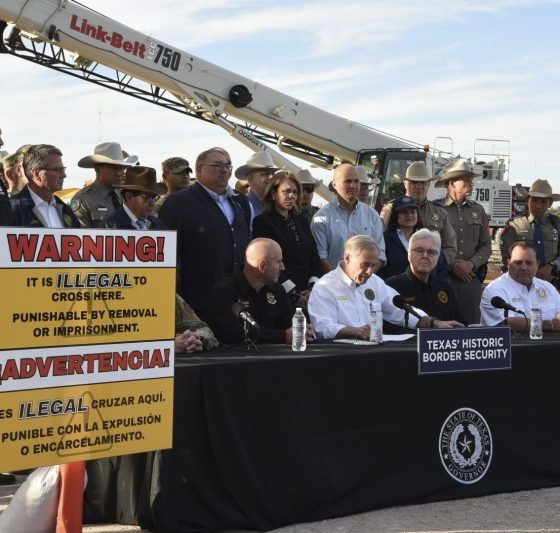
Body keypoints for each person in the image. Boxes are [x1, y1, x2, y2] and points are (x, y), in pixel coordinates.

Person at [308, 235, 462, 340]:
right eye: (365, 265)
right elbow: (321, 327)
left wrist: (433, 323)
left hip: (374, 351)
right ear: (347, 257)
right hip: (340, 355)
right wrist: (351, 331)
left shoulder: (374, 281)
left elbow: (400, 309)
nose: (370, 271)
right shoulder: (325, 287)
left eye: (373, 265)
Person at [159, 147, 251, 320]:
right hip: (199, 301)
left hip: (236, 299)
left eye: (228, 166)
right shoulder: (178, 203)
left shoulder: (239, 201)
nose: (224, 170)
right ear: (199, 171)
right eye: (217, 165)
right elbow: (167, 253)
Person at [207, 238, 315, 344]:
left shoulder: (278, 290)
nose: (283, 267)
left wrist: (302, 330)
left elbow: (289, 324)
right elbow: (232, 334)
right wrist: (282, 336)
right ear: (262, 266)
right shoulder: (224, 292)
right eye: (278, 262)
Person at [433, 159, 491, 324]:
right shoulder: (435, 209)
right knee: (442, 325)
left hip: (470, 279)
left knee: (472, 325)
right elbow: (429, 244)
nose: (471, 183)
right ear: (451, 183)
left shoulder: (478, 210)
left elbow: (486, 246)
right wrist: (452, 265)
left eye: (471, 180)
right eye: (466, 180)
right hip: (441, 278)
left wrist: (471, 264)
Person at [252, 171, 323, 307]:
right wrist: (293, 294)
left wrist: (313, 287)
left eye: (295, 192)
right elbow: (267, 263)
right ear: (273, 194)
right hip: (280, 297)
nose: (291, 196)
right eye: (286, 191)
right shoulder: (262, 222)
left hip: (309, 295)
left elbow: (314, 256)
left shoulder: (302, 220)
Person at [311, 163, 386, 273]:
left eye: (356, 181)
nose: (353, 186)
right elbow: (321, 256)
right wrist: (342, 279)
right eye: (348, 181)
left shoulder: (372, 215)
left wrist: (365, 275)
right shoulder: (322, 217)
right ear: (334, 184)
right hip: (333, 281)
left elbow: (381, 255)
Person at [380, 161, 457, 264]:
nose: (419, 186)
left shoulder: (440, 212)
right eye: (414, 182)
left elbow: (450, 247)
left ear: (428, 185)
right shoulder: (391, 209)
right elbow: (380, 241)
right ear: (405, 184)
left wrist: (433, 264)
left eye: (423, 183)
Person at [386, 229, 465, 324]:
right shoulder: (392, 287)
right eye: (419, 250)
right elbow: (386, 326)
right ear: (409, 254)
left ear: (437, 258)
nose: (425, 256)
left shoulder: (444, 287)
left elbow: (460, 323)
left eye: (431, 252)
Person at [481, 241, 560, 331]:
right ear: (508, 264)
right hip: (511, 340)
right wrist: (550, 325)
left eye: (529, 263)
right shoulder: (494, 290)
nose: (523, 268)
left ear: (537, 264)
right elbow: (508, 322)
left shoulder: (548, 287)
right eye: (518, 263)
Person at [500, 179, 560, 285]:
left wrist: (553, 266)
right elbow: (506, 256)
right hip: (521, 282)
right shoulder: (514, 225)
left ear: (550, 203)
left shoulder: (557, 224)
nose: (538, 205)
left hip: (551, 281)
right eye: (534, 200)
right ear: (527, 200)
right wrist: (526, 271)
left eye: (543, 201)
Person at [378, 195, 448, 281]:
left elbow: (442, 269)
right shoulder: (385, 239)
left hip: (427, 288)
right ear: (396, 215)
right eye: (404, 212)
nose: (409, 215)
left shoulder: (429, 238)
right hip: (393, 288)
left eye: (413, 211)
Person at [10, 144, 80, 228]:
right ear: (36, 174)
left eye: (63, 169)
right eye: (57, 169)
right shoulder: (11, 209)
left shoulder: (66, 210)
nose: (64, 175)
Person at [71, 142, 137, 228]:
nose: (119, 173)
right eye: (113, 168)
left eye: (121, 168)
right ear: (97, 169)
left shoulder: (126, 196)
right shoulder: (84, 200)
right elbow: (80, 234)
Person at [105, 166, 167, 230]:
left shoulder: (159, 226)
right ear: (129, 197)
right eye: (147, 196)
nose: (152, 202)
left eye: (154, 197)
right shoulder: (109, 227)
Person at [235, 151, 278, 217]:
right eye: (265, 174)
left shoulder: (277, 206)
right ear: (251, 179)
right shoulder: (242, 208)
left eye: (273, 173)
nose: (271, 177)